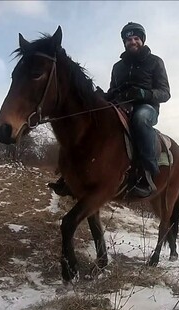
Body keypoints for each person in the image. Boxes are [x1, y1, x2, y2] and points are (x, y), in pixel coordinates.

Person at [48, 21, 170, 199]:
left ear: (142, 40)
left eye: (136, 38)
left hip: (146, 106)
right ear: (124, 42)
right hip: (120, 105)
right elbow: (113, 90)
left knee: (140, 119)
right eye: (128, 39)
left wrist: (144, 93)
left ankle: (147, 173)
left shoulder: (155, 62)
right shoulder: (117, 67)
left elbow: (165, 92)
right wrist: (102, 97)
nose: (132, 42)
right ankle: (71, 175)